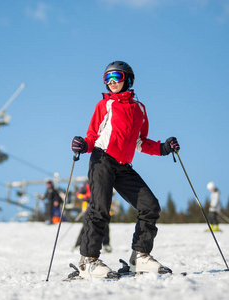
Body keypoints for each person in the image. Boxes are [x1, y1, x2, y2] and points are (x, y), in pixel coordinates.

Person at [70, 61, 180, 278]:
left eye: (116, 77)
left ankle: (140, 257)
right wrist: (83, 144)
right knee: (100, 208)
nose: (111, 82)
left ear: (128, 79)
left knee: (150, 206)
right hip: (102, 159)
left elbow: (141, 142)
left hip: (123, 166)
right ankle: (88, 261)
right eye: (107, 78)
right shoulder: (104, 105)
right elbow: (93, 135)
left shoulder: (139, 109)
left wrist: (164, 148)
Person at [74, 181, 112, 253]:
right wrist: (86, 197)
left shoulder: (101, 181)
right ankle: (79, 244)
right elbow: (78, 194)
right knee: (86, 226)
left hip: (100, 207)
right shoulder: (86, 184)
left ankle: (106, 244)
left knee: (104, 224)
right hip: (88, 207)